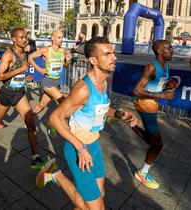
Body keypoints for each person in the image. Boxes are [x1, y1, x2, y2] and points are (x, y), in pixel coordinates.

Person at [36, 37, 137, 209]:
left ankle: (53, 173)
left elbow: (99, 110)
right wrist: (80, 147)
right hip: (78, 149)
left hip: (94, 146)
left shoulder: (103, 83)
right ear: (93, 61)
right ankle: (54, 173)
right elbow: (55, 118)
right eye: (108, 54)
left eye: (113, 53)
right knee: (95, 207)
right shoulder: (83, 89)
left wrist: (119, 114)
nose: (114, 57)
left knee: (98, 196)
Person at [0, 28, 45, 169]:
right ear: (13, 39)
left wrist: (25, 77)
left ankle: (36, 158)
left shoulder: (24, 52)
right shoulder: (8, 55)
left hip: (19, 93)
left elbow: (21, 72)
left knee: (31, 123)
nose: (25, 39)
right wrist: (20, 70)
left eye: (26, 37)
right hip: (6, 93)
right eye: (21, 37)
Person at [131, 39, 175, 189]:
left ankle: (129, 122)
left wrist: (167, 88)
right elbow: (136, 90)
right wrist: (162, 96)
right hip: (145, 104)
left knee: (153, 142)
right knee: (158, 144)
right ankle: (142, 173)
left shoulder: (166, 65)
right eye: (169, 48)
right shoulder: (151, 67)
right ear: (159, 51)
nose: (172, 50)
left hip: (152, 103)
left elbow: (158, 84)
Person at [28, 30, 71, 114]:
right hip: (48, 81)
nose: (61, 39)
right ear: (52, 38)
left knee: (42, 105)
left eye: (62, 37)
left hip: (56, 81)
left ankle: (28, 120)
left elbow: (65, 66)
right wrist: (39, 69)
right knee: (63, 102)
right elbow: (30, 57)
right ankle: (56, 122)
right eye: (59, 37)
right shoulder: (45, 50)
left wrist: (68, 61)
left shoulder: (63, 51)